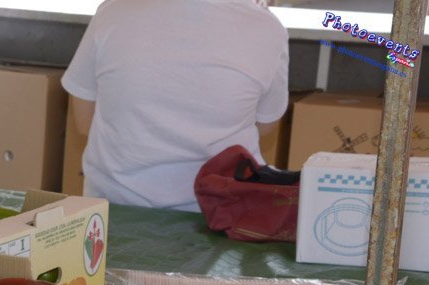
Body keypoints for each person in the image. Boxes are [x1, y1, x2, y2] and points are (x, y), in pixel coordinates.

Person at [62, 0, 289, 211]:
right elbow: (265, 124)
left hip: (116, 209)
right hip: (221, 213)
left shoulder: (114, 11)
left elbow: (83, 120)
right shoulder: (267, 29)